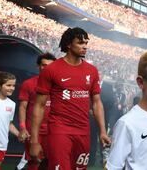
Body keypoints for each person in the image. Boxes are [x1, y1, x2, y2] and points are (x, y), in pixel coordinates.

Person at [30, 27, 111, 169]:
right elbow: (39, 106)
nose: (85, 46)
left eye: (86, 43)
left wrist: (103, 131)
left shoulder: (92, 71)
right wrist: (35, 141)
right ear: (68, 44)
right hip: (59, 130)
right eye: (80, 42)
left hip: (84, 131)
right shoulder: (51, 70)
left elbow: (97, 103)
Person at [17, 52, 56, 170]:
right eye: (44, 65)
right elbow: (22, 107)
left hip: (54, 130)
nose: (46, 68)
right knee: (34, 162)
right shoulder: (28, 84)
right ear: (38, 66)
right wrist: (23, 127)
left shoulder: (59, 86)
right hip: (34, 131)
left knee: (53, 162)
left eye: (50, 66)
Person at [0, 71, 19, 170]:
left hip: (2, 144)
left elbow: (9, 124)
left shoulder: (12, 104)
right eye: (8, 85)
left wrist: (19, 134)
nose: (12, 88)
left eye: (13, 85)